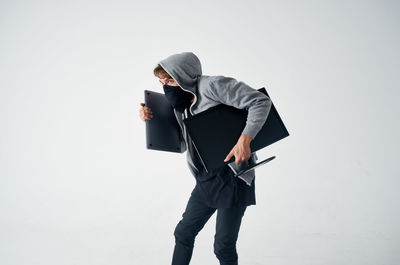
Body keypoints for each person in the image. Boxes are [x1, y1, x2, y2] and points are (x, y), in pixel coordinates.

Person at [139, 52, 272, 265]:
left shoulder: (212, 86)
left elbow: (260, 101)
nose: (166, 86)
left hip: (233, 178)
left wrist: (245, 140)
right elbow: (182, 146)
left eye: (171, 80)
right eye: (161, 81)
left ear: (186, 76)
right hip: (206, 179)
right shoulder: (180, 106)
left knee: (223, 247)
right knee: (183, 233)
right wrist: (151, 120)